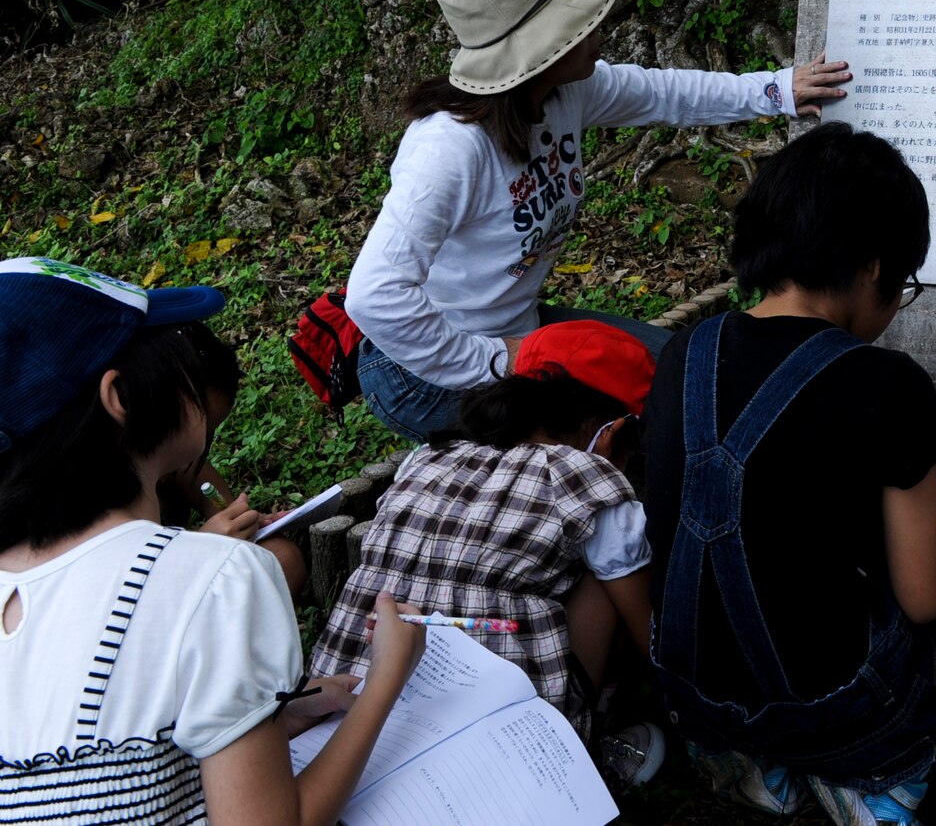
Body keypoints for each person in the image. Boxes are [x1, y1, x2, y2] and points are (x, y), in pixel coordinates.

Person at [643, 123, 936, 826]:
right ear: (876, 269)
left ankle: (756, 766)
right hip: (841, 714)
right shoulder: (885, 382)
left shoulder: (685, 353)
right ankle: (874, 777)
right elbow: (928, 598)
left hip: (689, 695)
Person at [346, 0, 852, 441]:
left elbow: (662, 93)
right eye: (579, 22)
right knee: (622, 434)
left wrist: (774, 89)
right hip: (423, 372)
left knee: (677, 375)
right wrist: (502, 360)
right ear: (537, 48)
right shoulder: (450, 147)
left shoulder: (567, 92)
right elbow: (374, 296)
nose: (599, 29)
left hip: (520, 328)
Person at [0, 257, 425, 826]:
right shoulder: (215, 576)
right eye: (170, 351)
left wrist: (276, 714)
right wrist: (386, 681)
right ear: (119, 396)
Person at [311, 319, 655, 743]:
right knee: (609, 579)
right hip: (495, 732)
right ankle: (594, 732)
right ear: (612, 432)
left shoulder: (427, 456)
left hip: (347, 701)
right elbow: (646, 630)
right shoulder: (589, 478)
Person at [156, 320, 309, 600]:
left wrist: (245, 523)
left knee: (282, 557)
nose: (197, 448)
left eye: (209, 433)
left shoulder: (185, 466)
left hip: (178, 585)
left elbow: (222, 509)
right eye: (190, 431)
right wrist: (200, 547)